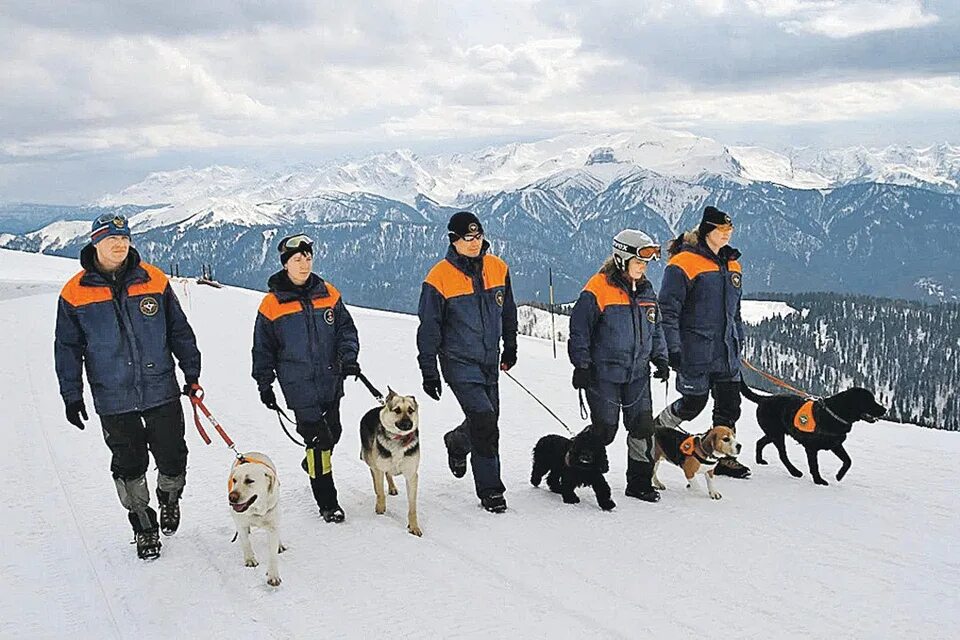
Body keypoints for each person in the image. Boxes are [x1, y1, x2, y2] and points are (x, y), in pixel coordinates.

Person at [54, 212, 201, 559]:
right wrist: (71, 395)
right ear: (95, 243)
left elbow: (179, 330)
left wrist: (191, 373)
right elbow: (67, 349)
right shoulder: (75, 293)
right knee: (129, 464)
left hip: (161, 389)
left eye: (124, 238)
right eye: (111, 239)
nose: (119, 245)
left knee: (173, 457)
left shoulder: (154, 280)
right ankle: (143, 524)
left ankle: (168, 497)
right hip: (114, 397)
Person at [252, 233, 360, 522]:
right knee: (319, 443)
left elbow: (346, 330)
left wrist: (349, 357)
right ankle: (328, 503)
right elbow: (262, 350)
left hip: (331, 381)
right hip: (299, 388)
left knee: (333, 433)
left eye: (308, 258)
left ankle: (312, 463)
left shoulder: (329, 293)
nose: (304, 264)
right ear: (285, 264)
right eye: (297, 259)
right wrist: (265, 384)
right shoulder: (272, 304)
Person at [417, 211, 518, 513]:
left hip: (490, 360)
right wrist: (429, 371)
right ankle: (491, 491)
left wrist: (510, 346)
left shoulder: (498, 267)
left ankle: (458, 442)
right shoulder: (438, 278)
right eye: (467, 238)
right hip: (458, 363)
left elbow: (509, 312)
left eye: (478, 236)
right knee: (486, 422)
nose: (475, 243)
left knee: (486, 420)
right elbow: (428, 329)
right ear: (454, 240)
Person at [568, 229, 670, 502]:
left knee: (642, 427)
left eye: (646, 263)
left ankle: (638, 484)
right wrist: (582, 365)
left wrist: (660, 357)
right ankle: (571, 464)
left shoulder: (647, 290)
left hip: (638, 374)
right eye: (639, 262)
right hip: (604, 374)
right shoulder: (598, 288)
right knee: (605, 430)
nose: (643, 267)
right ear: (622, 258)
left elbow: (655, 328)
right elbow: (580, 330)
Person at [656, 205, 751, 478]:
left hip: (726, 350)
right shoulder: (683, 263)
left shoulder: (733, 263)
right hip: (695, 349)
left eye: (729, 230)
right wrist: (671, 348)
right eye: (721, 230)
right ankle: (657, 431)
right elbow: (668, 311)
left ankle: (722, 457)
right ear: (707, 230)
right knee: (693, 402)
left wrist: (738, 339)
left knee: (730, 404)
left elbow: (736, 310)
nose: (726, 235)